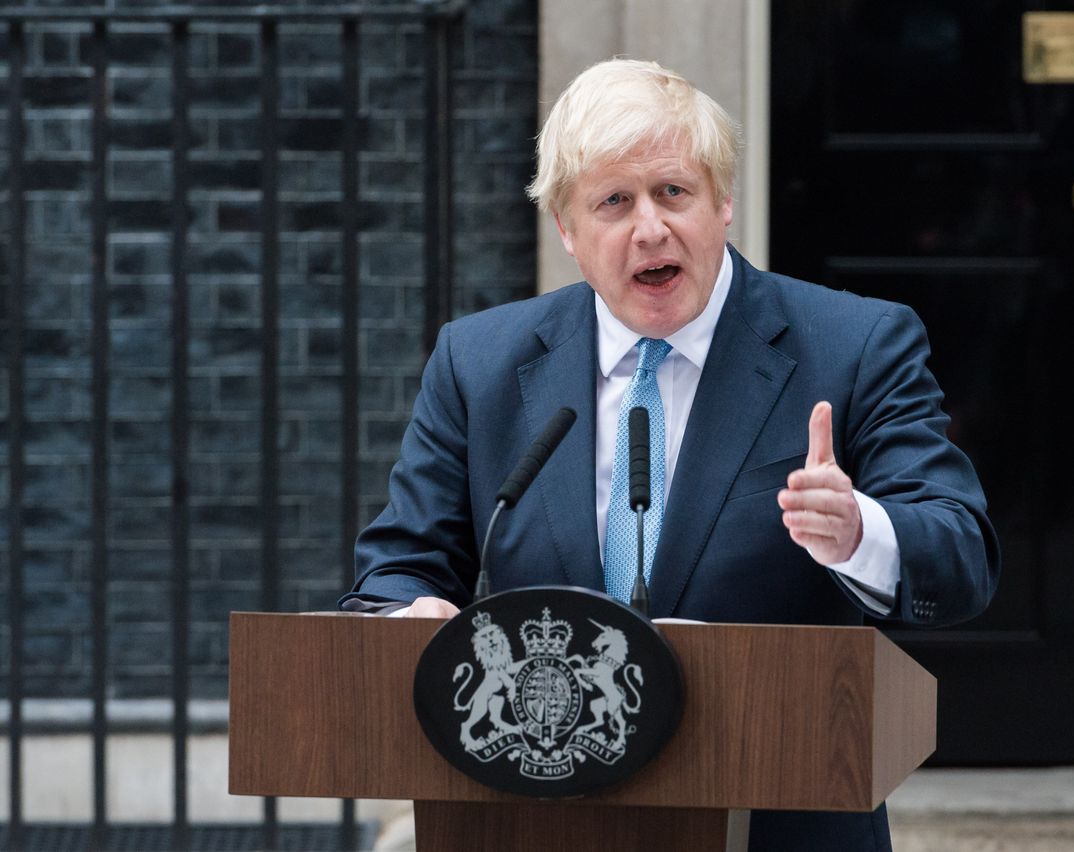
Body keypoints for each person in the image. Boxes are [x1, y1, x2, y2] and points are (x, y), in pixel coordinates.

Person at [342, 58, 998, 852]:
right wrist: (411, 612)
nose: (650, 228)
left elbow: (961, 556)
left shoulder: (854, 345)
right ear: (568, 232)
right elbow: (398, 567)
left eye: (673, 193)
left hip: (778, 820)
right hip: (533, 818)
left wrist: (860, 532)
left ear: (723, 203)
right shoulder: (479, 363)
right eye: (614, 202)